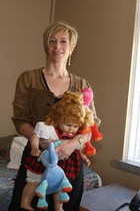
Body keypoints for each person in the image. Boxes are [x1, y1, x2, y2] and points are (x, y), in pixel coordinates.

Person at [9, 21, 101, 211]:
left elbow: (91, 126)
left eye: (63, 41)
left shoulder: (82, 85)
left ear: (72, 47)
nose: (57, 46)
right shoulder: (28, 78)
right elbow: (20, 121)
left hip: (71, 164)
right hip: (36, 160)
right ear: (46, 45)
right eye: (52, 41)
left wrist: (73, 144)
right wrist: (43, 142)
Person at [21, 91, 94, 211]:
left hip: (61, 167)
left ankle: (58, 207)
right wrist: (35, 147)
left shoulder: (74, 137)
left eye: (75, 126)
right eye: (68, 124)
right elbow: (35, 136)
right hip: (41, 162)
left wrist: (84, 157)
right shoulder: (47, 128)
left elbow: (79, 149)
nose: (71, 129)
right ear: (58, 119)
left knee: (59, 186)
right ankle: (25, 202)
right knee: (33, 182)